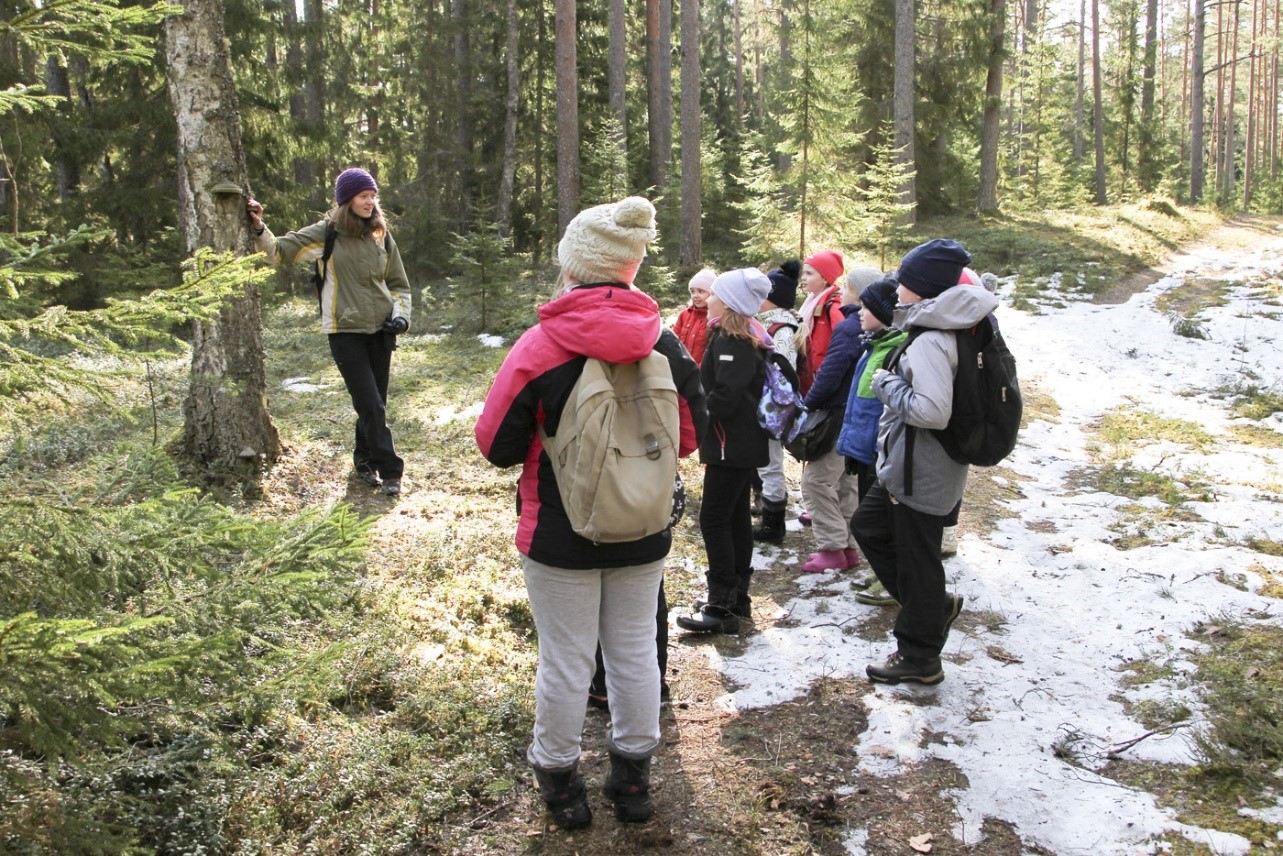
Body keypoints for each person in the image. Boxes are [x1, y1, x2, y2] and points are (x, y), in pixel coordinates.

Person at [474, 196, 707, 829]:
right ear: (630, 268)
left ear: (574, 265)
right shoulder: (663, 340)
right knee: (634, 651)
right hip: (645, 527)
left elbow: (495, 446)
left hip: (558, 531)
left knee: (567, 658)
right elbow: (689, 439)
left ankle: (560, 783)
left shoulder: (542, 344)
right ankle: (632, 783)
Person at [849, 239, 999, 685]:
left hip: (923, 469)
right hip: (910, 465)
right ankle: (933, 608)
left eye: (906, 280)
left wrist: (886, 384)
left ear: (924, 288)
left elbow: (933, 411)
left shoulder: (933, 338)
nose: (897, 288)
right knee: (870, 527)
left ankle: (919, 656)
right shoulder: (940, 324)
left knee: (918, 560)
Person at [247, 168, 411, 496]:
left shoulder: (380, 233)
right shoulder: (327, 233)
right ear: (346, 200)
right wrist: (259, 228)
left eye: (373, 196)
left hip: (381, 329)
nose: (370, 202)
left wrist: (401, 316)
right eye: (364, 196)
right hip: (344, 330)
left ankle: (364, 461)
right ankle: (392, 469)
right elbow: (278, 252)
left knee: (374, 402)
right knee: (370, 403)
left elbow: (398, 284)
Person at [676, 268, 773, 636]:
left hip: (730, 444)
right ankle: (736, 600)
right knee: (733, 519)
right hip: (735, 443)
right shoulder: (738, 335)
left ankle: (721, 605)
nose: (709, 297)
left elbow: (727, 398)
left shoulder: (732, 339)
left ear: (728, 301)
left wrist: (691, 411)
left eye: (715, 292)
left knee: (714, 519)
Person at [834, 278, 906, 604]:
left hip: (879, 449)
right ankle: (880, 573)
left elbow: (885, 408)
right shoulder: (874, 344)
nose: (859, 313)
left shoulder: (892, 349)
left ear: (882, 310)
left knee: (880, 523)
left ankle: (892, 581)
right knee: (868, 513)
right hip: (864, 448)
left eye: (866, 307)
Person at [797, 271, 868, 572]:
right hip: (854, 414)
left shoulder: (850, 326)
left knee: (816, 481)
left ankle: (832, 547)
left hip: (837, 412)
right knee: (844, 480)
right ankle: (849, 546)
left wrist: (808, 403)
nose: (843, 293)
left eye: (848, 288)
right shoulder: (867, 325)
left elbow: (831, 371)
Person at [752, 261, 801, 544]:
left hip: (773, 407)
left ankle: (774, 523)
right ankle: (769, 511)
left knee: (771, 462)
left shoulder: (780, 329)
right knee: (766, 462)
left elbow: (783, 371)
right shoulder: (768, 324)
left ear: (772, 299)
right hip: (765, 403)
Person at [673, 268, 716, 365]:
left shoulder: (714, 317)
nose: (695, 295)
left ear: (712, 294)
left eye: (701, 291)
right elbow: (674, 341)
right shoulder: (684, 315)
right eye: (692, 292)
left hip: (703, 373)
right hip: (683, 369)